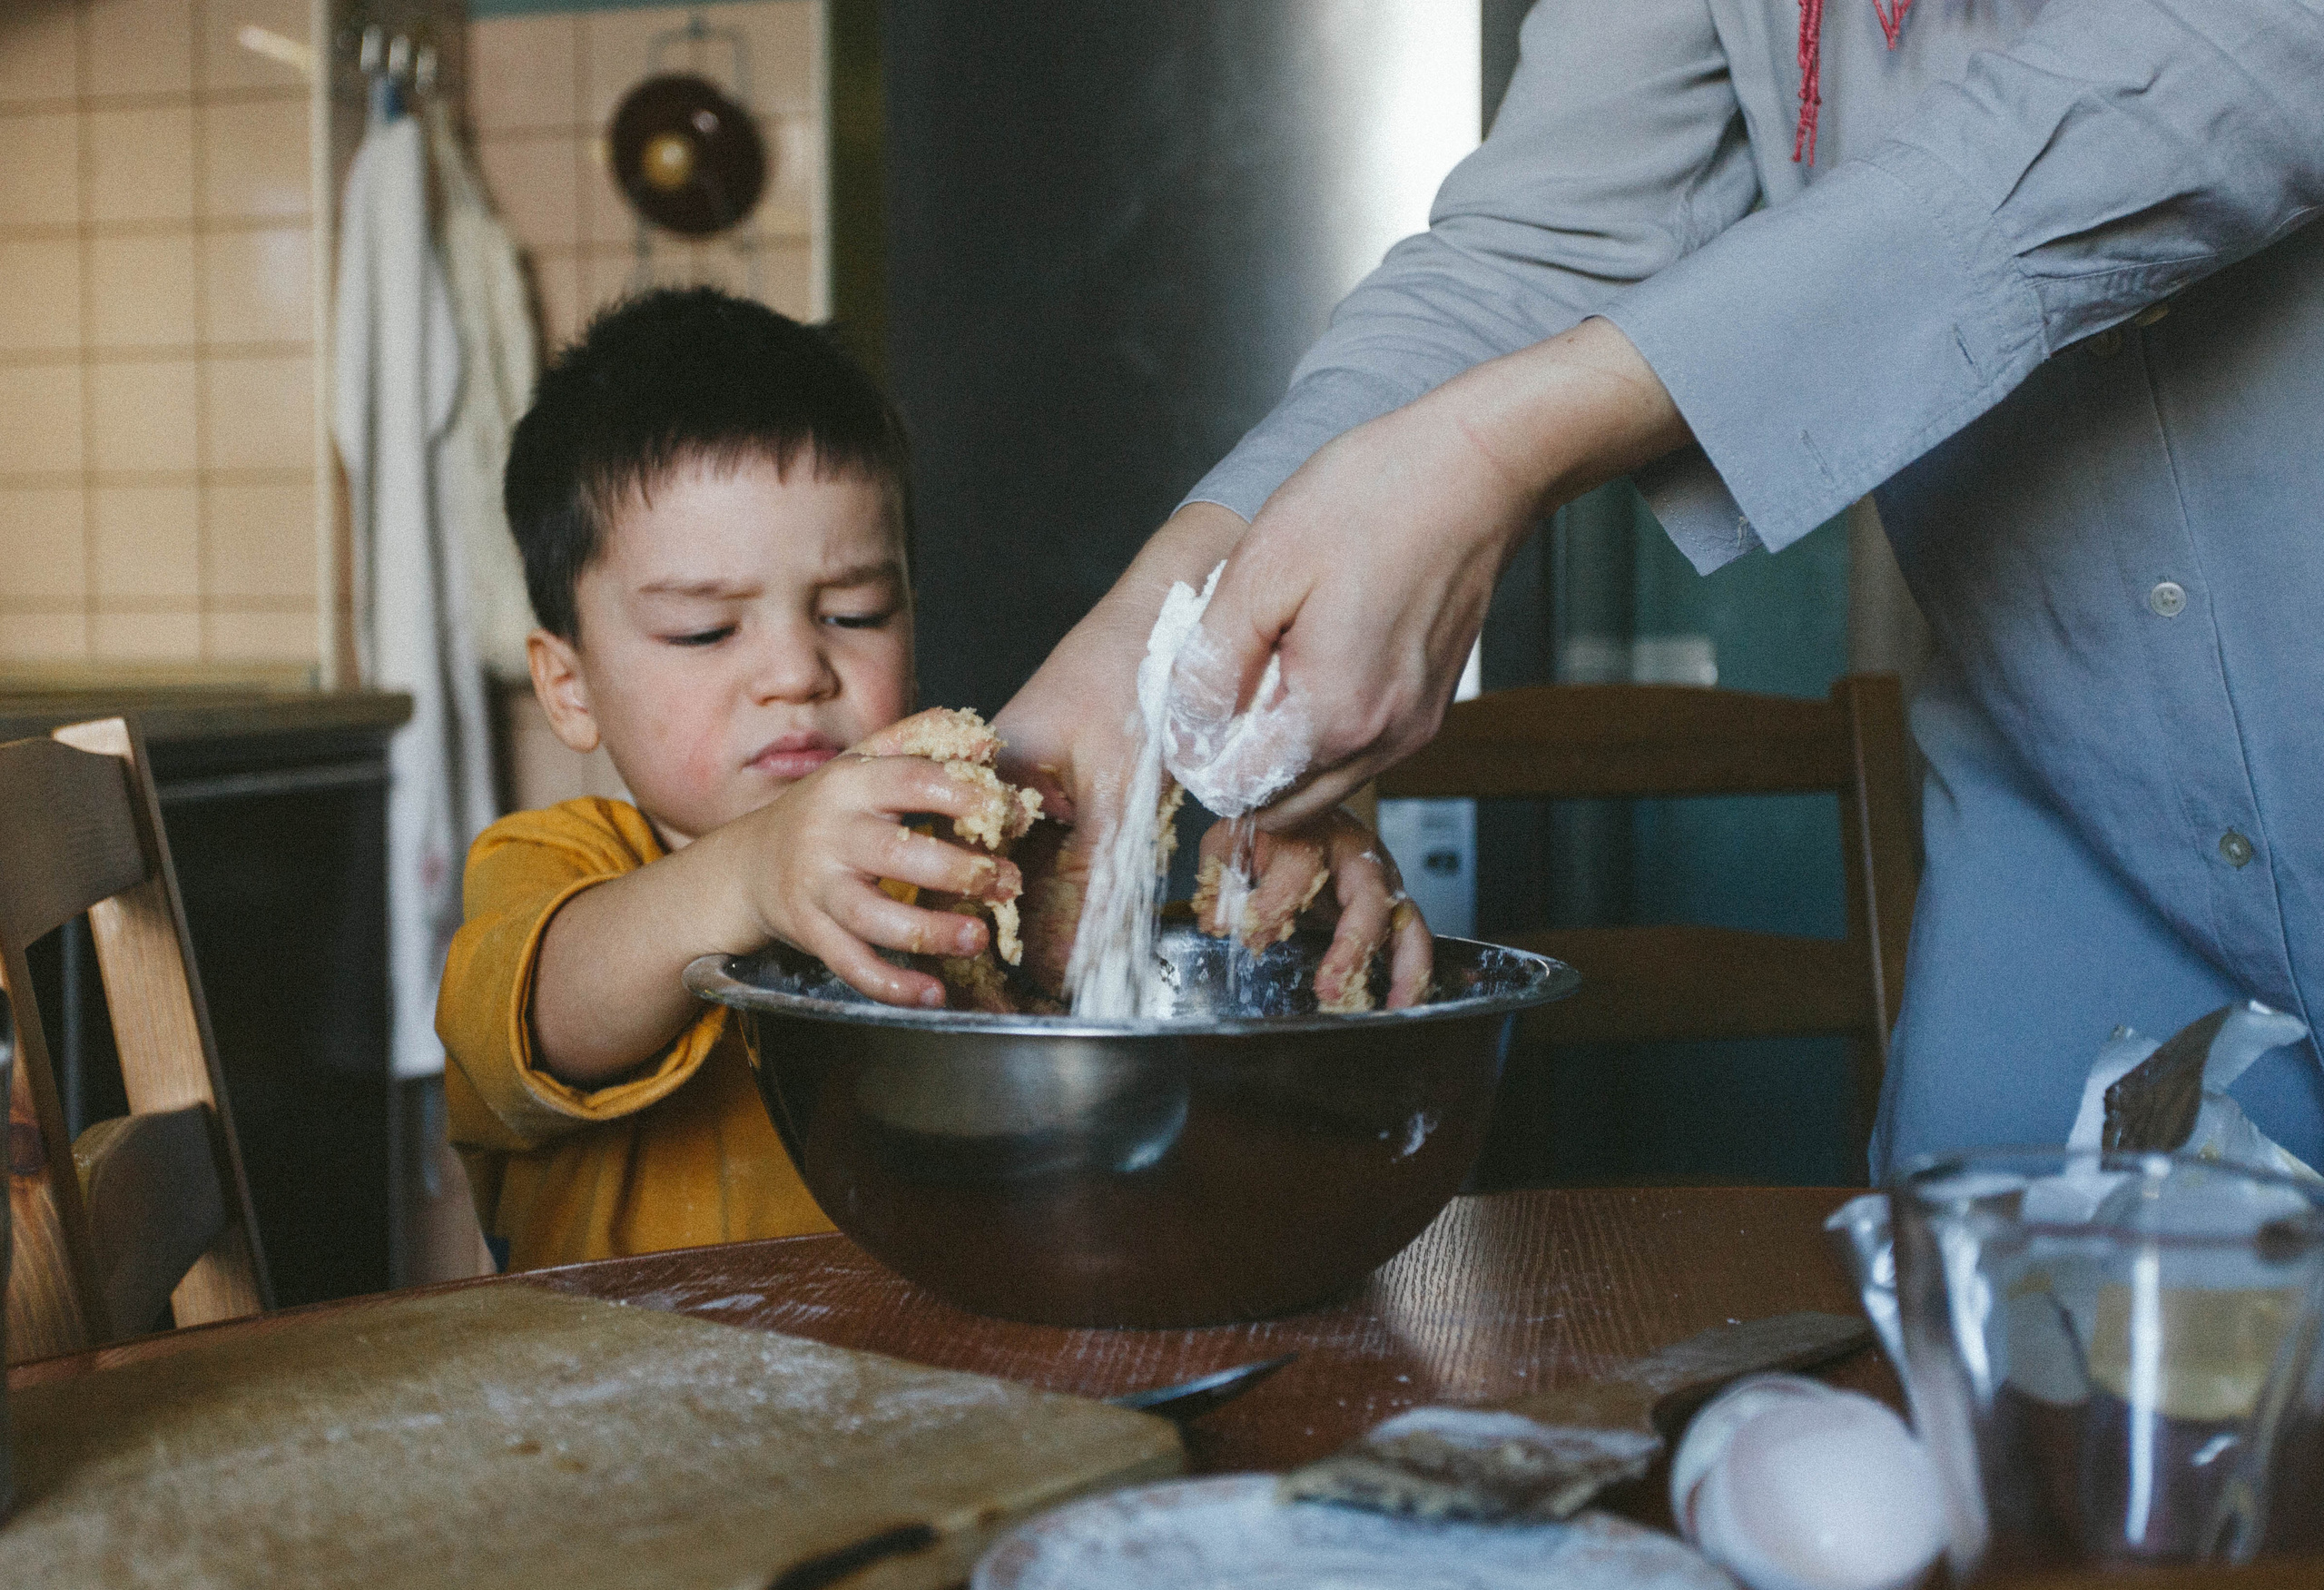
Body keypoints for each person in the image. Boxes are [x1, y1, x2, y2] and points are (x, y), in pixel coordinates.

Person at [998, 0, 2324, 1177]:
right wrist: (1164, 611)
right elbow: (1530, 251)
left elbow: (2206, 79)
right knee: (1998, 1412)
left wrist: (1493, 452)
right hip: (2082, 810)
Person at [441, 289, 1420, 1270]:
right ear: (568, 686)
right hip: (625, 1411)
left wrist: (1275, 886)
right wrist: (752, 874)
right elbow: (546, 1022)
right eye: (706, 629)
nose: (796, 671)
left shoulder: (958, 861)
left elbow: (1134, 1028)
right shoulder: (555, 869)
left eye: (856, 611)